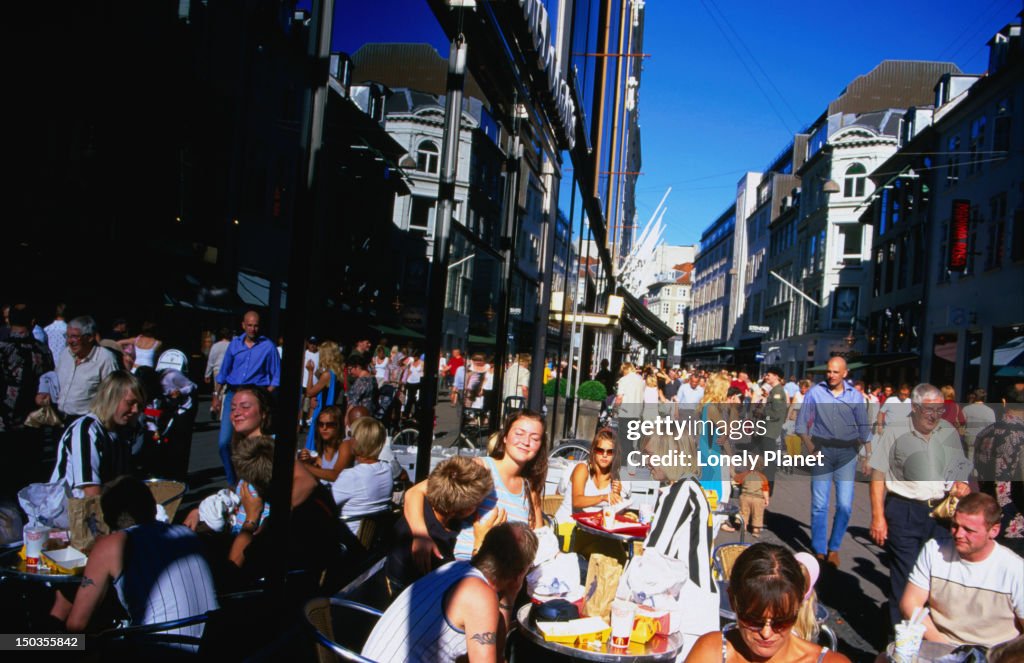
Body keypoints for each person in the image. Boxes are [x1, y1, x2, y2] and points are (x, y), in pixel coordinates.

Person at [52, 476, 218, 646]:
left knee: (54, 644)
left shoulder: (111, 546)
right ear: (154, 508)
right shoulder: (188, 535)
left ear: (108, 519)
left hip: (158, 650)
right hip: (211, 646)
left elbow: (77, 626)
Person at [868, 383, 973, 625]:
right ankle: (900, 643)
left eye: (939, 409)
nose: (935, 415)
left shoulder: (947, 431)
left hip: (940, 512)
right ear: (914, 408)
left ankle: (930, 639)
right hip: (904, 509)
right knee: (905, 579)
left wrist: (961, 484)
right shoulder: (895, 431)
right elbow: (878, 475)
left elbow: (959, 467)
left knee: (939, 577)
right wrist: (877, 516)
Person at [363, 522, 538, 663]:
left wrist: (510, 595)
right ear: (518, 574)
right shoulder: (480, 597)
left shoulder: (454, 567)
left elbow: (492, 653)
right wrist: (514, 590)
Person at [405, 410, 547, 573]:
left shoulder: (530, 489)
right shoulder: (480, 468)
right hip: (465, 572)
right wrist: (421, 536)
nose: (526, 442)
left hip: (510, 581)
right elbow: (414, 493)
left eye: (535, 438)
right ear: (505, 437)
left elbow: (539, 540)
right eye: (519, 433)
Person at [685, 543, 849, 663]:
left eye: (781, 622)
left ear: (799, 606)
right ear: (732, 601)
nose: (766, 633)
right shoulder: (711, 652)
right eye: (753, 620)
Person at [899, 493, 1024, 648]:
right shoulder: (934, 550)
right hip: (941, 646)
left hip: (993, 653)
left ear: (993, 530)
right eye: (955, 526)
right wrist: (943, 645)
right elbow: (910, 603)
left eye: (968, 530)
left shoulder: (1015, 569)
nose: (958, 535)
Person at [226, 435, 340, 588]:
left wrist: (251, 519)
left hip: (284, 597)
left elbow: (233, 568)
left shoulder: (273, 529)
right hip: (320, 578)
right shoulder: (318, 500)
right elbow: (307, 480)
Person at [795, 357, 870, 568]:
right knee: (820, 504)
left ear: (845, 373)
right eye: (829, 371)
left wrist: (868, 456)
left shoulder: (855, 396)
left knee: (845, 505)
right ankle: (820, 549)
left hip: (847, 453)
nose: (831, 375)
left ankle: (834, 547)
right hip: (823, 451)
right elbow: (801, 426)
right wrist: (812, 448)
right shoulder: (815, 393)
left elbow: (864, 428)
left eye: (836, 372)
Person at [386, 456, 494, 593]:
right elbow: (462, 585)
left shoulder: (430, 497)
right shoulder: (435, 547)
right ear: (462, 509)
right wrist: (480, 541)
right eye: (478, 503)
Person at [183, 386, 273, 533]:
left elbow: (304, 485)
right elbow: (239, 490)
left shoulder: (272, 448)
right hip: (239, 529)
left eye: (245, 407)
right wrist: (199, 511)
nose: (236, 413)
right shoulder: (242, 447)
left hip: (257, 536)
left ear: (263, 413)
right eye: (232, 408)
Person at [50, 372, 144, 496]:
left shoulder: (120, 432)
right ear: (111, 398)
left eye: (139, 404)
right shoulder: (86, 429)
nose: (135, 410)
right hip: (73, 508)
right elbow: (90, 489)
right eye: (130, 403)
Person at [215, 311, 280, 486]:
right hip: (233, 394)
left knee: (254, 441)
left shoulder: (268, 346)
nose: (253, 329)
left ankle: (253, 480)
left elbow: (276, 377)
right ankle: (232, 481)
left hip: (256, 394)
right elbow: (223, 373)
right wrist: (216, 396)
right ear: (243, 325)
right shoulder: (235, 345)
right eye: (249, 325)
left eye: (256, 325)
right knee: (224, 442)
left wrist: (264, 394)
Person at [0, 307, 54, 495]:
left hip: (6, 420)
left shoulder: (3, 348)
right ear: (32, 323)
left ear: (9, 321)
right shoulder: (43, 350)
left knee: (7, 474)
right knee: (31, 474)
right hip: (35, 420)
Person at [974, 389, 1024, 557]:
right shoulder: (1021, 434)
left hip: (988, 514)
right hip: (1016, 520)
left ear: (1004, 402)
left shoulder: (985, 432)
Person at [331, 417, 393, 534]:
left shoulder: (351, 476)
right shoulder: (387, 469)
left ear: (356, 441)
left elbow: (327, 504)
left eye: (351, 435)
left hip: (347, 540)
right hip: (373, 539)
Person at [55, 316, 120, 419]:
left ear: (90, 337)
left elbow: (112, 395)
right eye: (67, 336)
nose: (70, 341)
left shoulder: (105, 359)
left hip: (85, 420)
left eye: (75, 337)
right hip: (58, 418)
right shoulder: (65, 353)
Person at [140, 369, 197, 481]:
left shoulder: (171, 377)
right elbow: (149, 411)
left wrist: (181, 392)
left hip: (183, 409)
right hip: (165, 412)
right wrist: (154, 429)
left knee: (179, 444)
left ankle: (180, 477)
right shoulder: (150, 394)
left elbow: (193, 386)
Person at [304, 339, 342, 450]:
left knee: (316, 444)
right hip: (329, 409)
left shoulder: (327, 375)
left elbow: (309, 392)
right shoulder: (336, 372)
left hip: (322, 411)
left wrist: (310, 372)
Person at [757, 367, 788, 495]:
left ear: (776, 376)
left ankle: (768, 489)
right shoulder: (774, 391)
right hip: (768, 429)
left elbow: (775, 414)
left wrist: (763, 413)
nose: (766, 377)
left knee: (769, 463)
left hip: (770, 430)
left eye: (768, 375)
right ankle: (766, 487)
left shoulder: (778, 392)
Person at [298, 405, 348, 484]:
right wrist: (309, 460)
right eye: (321, 424)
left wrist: (304, 465)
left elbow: (336, 475)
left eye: (329, 424)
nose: (324, 428)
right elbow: (320, 466)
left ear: (338, 426)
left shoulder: (345, 445)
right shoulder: (325, 445)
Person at [732, 457, 770, 538]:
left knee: (744, 512)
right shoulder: (763, 477)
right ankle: (756, 530)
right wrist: (766, 499)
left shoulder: (745, 474)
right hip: (758, 498)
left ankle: (743, 527)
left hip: (745, 497)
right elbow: (765, 490)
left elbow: (736, 479)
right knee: (758, 514)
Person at [205, 328, 232, 419]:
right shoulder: (231, 345)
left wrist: (207, 374)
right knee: (224, 391)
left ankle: (214, 407)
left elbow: (210, 360)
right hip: (228, 370)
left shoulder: (215, 346)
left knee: (217, 390)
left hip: (217, 370)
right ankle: (222, 412)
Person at [962, 388, 996, 461]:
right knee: (980, 462)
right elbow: (992, 427)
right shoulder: (990, 411)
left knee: (969, 460)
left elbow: (962, 424)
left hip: (970, 438)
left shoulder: (966, 409)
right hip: (983, 440)